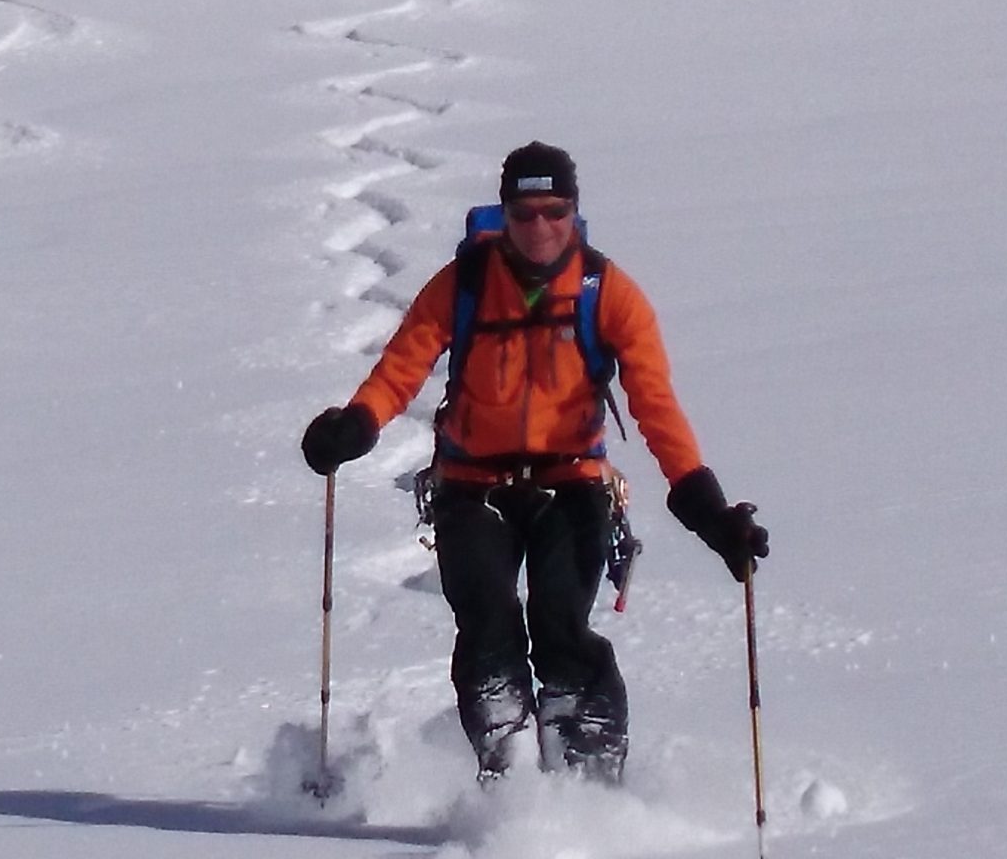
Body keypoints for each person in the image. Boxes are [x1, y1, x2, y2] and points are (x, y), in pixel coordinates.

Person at [300, 140, 768, 783]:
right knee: (486, 619)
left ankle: (585, 762)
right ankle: (507, 759)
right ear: (504, 215)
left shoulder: (608, 294)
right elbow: (402, 367)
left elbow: (657, 408)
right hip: (472, 487)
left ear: (574, 211)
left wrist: (708, 511)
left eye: (554, 212)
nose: (540, 227)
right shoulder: (463, 284)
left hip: (572, 486)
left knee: (560, 622)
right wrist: (355, 426)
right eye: (524, 214)